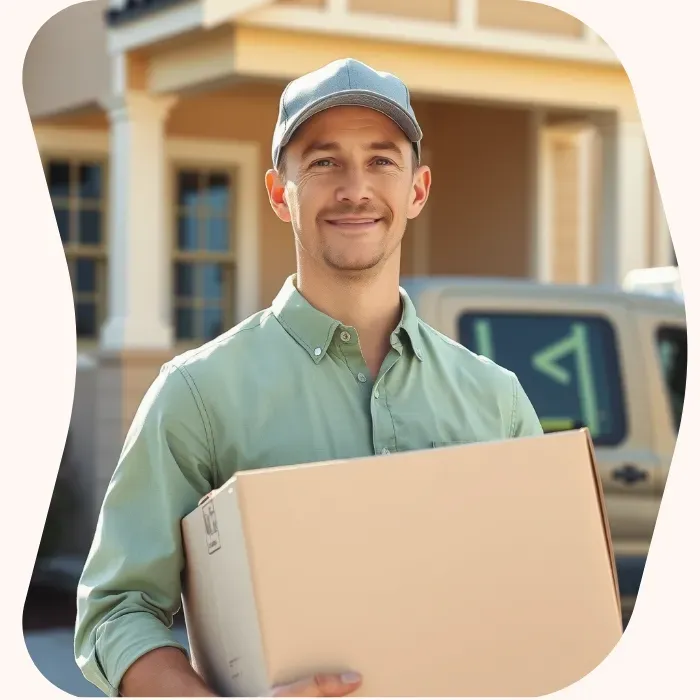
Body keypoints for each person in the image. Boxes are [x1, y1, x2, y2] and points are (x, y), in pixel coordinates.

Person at [74, 57, 543, 698]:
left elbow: (540, 595)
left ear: (417, 189)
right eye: (324, 163)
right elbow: (117, 611)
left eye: (381, 160)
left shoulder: (498, 400)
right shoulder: (197, 395)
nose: (355, 188)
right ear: (279, 192)